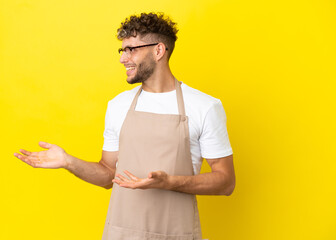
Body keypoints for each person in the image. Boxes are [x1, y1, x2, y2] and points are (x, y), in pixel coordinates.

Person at [14, 12, 236, 240]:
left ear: (158, 51)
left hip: (176, 234)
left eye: (132, 49)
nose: (123, 58)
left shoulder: (204, 106)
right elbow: (108, 174)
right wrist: (68, 162)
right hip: (122, 234)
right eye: (123, 50)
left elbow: (226, 182)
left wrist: (169, 182)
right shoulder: (118, 105)